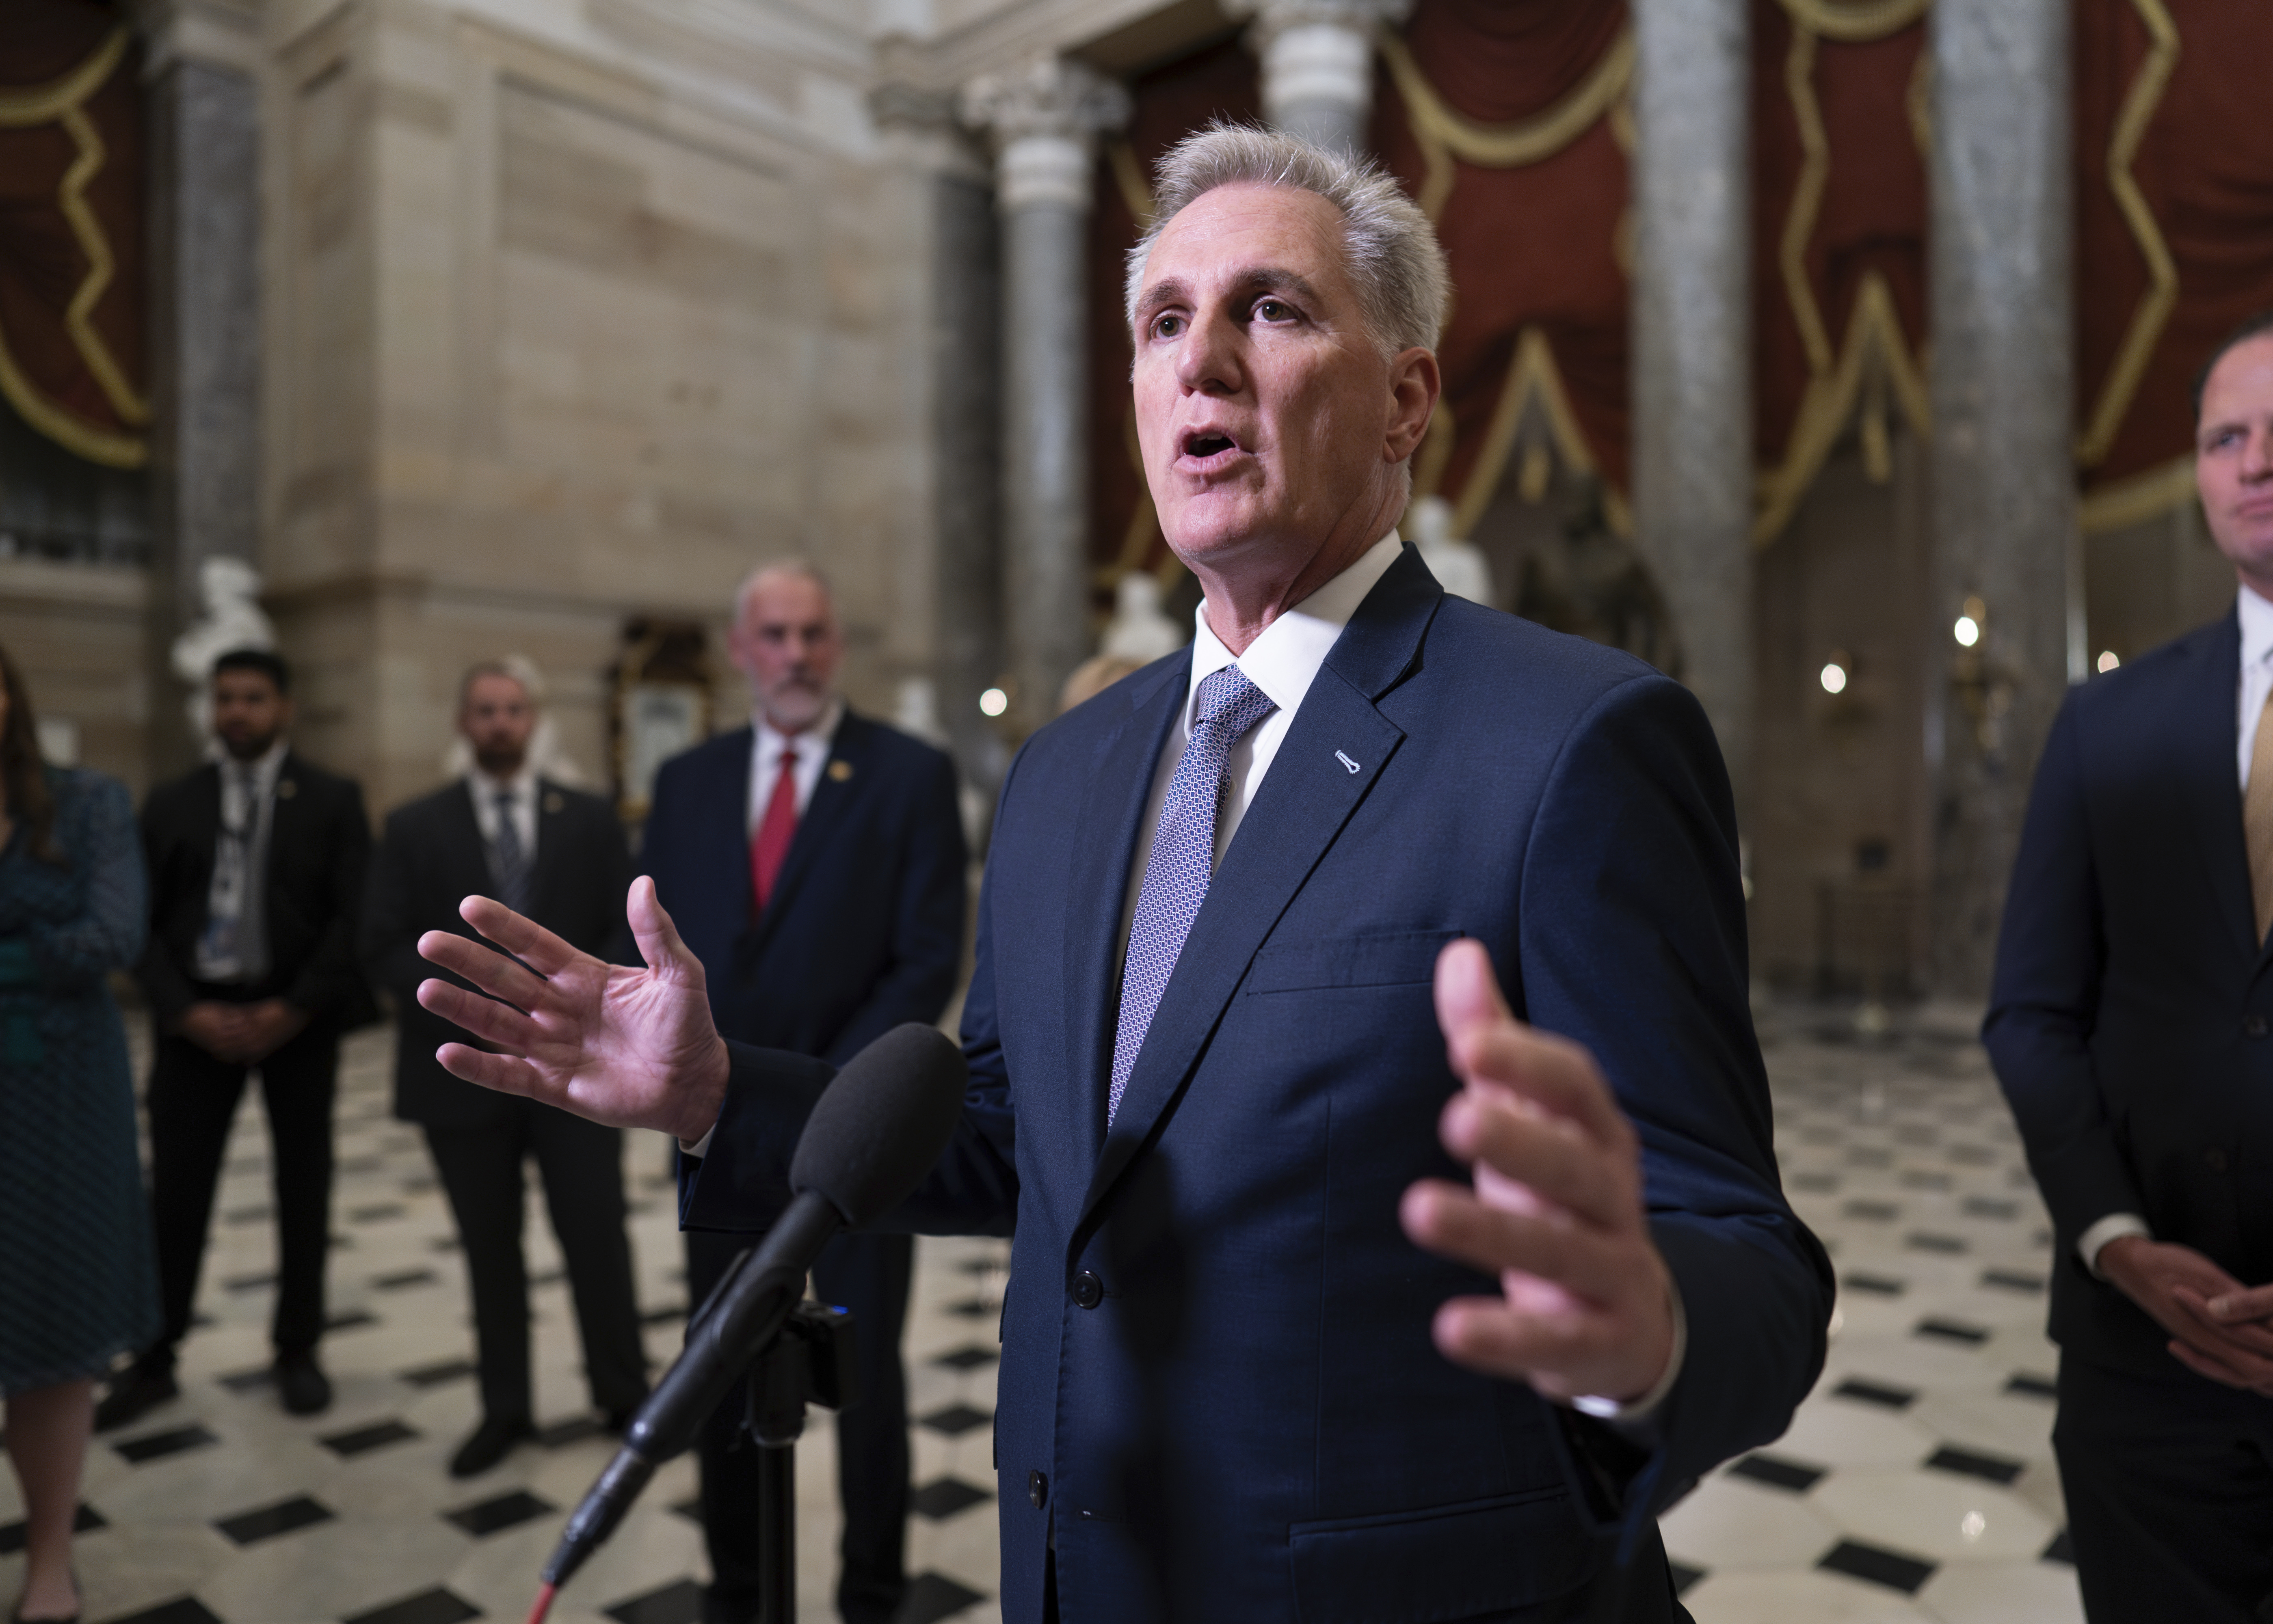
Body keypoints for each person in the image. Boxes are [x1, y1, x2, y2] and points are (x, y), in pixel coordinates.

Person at [417, 127, 1830, 1623]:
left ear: (1408, 398)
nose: (1203, 362)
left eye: (1272, 311)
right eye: (1166, 324)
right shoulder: (1070, 769)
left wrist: (1651, 1338)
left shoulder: (1573, 743)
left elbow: (1750, 1254)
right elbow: (1023, 1134)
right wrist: (717, 1094)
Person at [1986, 304, 2273, 1622]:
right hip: (2146, 1358)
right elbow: (2032, 1015)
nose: (2257, 462)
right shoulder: (2112, 718)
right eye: (2223, 437)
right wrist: (2117, 1241)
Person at [636, 563, 967, 1624]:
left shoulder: (909, 773)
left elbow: (926, 959)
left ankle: (872, 1597)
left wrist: (821, 1101)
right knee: (722, 1370)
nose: (795, 654)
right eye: (773, 635)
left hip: (862, 1136)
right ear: (741, 649)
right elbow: (653, 957)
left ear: (838, 645)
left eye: (814, 634)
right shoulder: (687, 782)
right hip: (719, 1140)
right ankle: (739, 1598)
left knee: (866, 1386)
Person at [360, 658, 650, 1477]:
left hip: (576, 1076)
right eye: (484, 709)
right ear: (464, 722)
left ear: (535, 719)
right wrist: (473, 1007)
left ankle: (623, 1395)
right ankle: (505, 1407)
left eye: (514, 709)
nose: (499, 722)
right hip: (462, 1072)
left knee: (596, 1234)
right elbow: (379, 941)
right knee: (490, 1246)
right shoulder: (416, 825)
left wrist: (571, 1009)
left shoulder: (591, 819)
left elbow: (623, 934)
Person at [99, 648, 374, 1430]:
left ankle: (298, 1349)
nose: (238, 714)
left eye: (254, 699)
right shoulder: (172, 800)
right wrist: (183, 1009)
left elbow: (352, 918)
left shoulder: (332, 798)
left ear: (284, 706)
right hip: (196, 1021)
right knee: (177, 1194)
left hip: (297, 1019)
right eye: (226, 700)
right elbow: (136, 920)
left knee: (303, 1188)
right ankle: (154, 1357)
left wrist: (294, 1007)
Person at [0, 648, 151, 1623]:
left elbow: (113, 937)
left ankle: (50, 1552)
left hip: (58, 1098)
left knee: (54, 1331)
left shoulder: (85, 802)